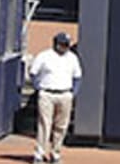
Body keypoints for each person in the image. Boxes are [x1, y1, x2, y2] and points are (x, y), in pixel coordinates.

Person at [28, 31, 82, 163]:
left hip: (65, 94)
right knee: (44, 124)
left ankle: (55, 153)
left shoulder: (72, 58)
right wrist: (38, 88)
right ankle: (39, 153)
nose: (65, 47)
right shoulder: (44, 56)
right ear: (56, 44)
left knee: (61, 126)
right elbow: (33, 73)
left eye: (67, 45)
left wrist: (73, 93)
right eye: (63, 44)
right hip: (47, 94)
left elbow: (78, 77)